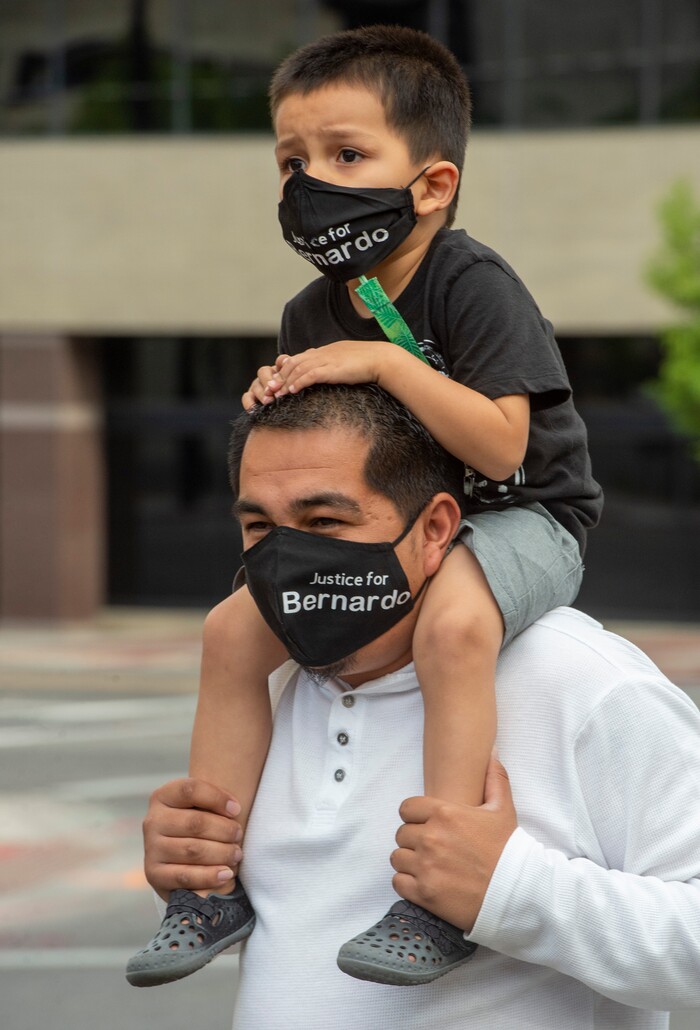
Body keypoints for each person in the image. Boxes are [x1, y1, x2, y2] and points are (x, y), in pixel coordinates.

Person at [127, 23, 602, 988]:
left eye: (346, 155)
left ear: (431, 184)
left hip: (524, 517)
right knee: (230, 630)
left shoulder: (473, 286)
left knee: (455, 627)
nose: (311, 183)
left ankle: (442, 883)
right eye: (292, 161)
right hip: (401, 521)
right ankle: (210, 881)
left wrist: (384, 360)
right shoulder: (315, 308)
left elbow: (504, 447)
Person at [138, 383, 700, 1029]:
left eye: (326, 522)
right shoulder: (262, 684)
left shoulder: (580, 679)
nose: (286, 559)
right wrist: (195, 860)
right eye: (260, 525)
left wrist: (513, 892)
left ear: (435, 529)